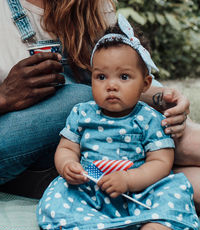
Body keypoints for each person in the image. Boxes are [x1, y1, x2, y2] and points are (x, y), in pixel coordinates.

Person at [0, 1, 199, 208]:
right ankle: (169, 152)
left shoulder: (90, 5)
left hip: (80, 150)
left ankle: (154, 172)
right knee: (80, 99)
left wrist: (166, 98)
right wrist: (3, 97)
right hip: (18, 146)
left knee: (187, 169)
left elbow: (121, 69)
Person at [36, 15, 199, 230]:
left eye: (124, 77)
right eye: (101, 77)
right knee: (55, 199)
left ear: (145, 84)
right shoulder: (82, 113)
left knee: (174, 195)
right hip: (92, 184)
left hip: (138, 187)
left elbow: (162, 162)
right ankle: (100, 228)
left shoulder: (149, 118)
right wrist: (67, 165)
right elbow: (67, 148)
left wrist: (129, 180)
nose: (111, 86)